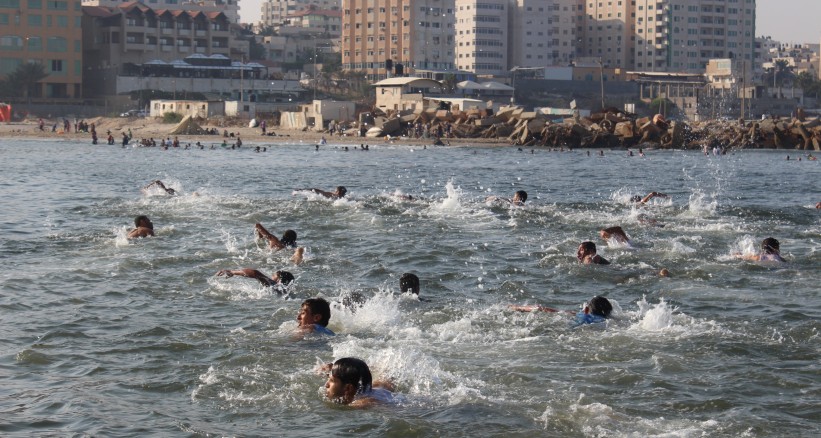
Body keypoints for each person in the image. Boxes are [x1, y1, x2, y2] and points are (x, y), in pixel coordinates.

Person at [324, 357, 395, 406]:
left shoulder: (361, 404)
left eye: (331, 380)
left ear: (348, 388)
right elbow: (386, 377)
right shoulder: (378, 388)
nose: (326, 385)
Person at [511, 296, 614, 327]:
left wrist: (519, 308)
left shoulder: (581, 315)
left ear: (586, 309)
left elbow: (541, 309)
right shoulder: (605, 320)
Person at [215, 268, 294, 292]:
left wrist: (232, 272)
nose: (271, 276)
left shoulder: (274, 285)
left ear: (279, 280)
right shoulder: (284, 290)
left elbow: (255, 273)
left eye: (274, 275)